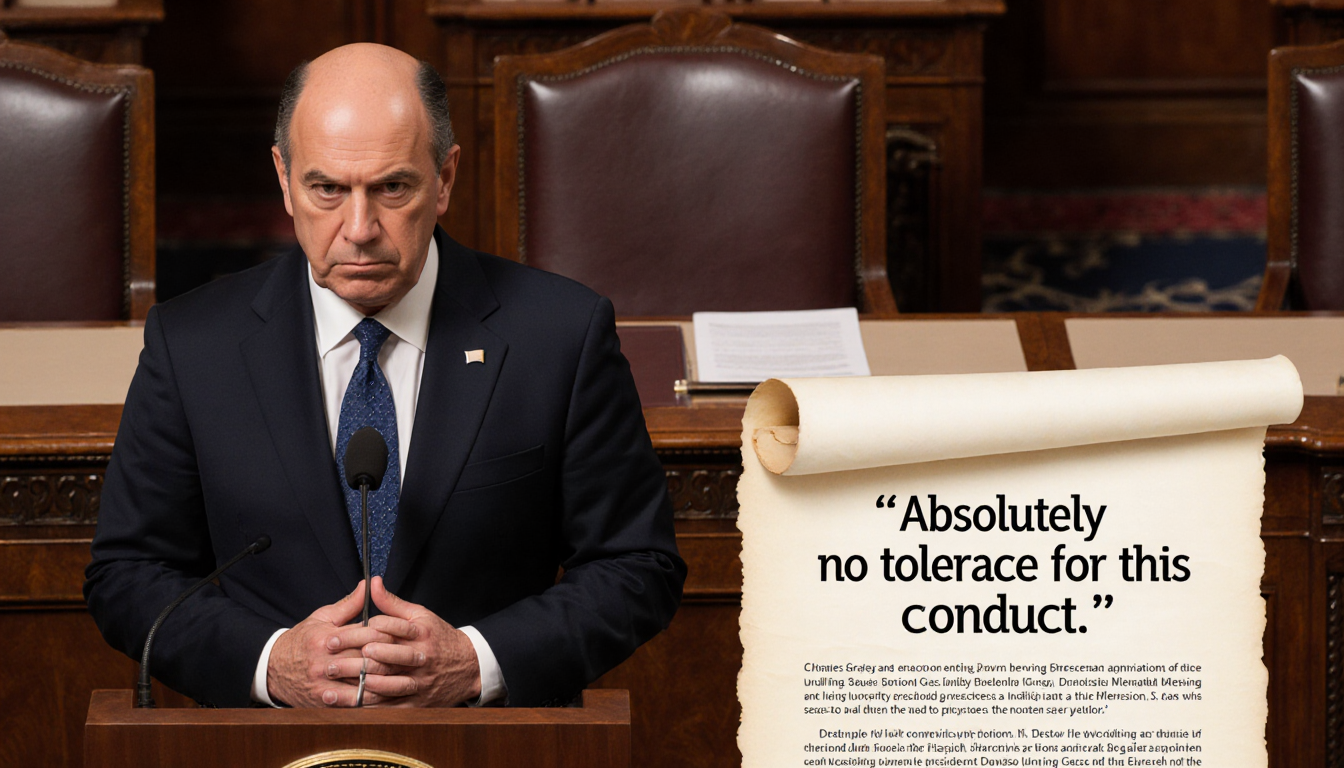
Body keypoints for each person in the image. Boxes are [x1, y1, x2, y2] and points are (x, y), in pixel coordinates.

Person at [84, 43, 685, 708]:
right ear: (284, 179)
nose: (360, 228)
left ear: (446, 178)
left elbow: (637, 567)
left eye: (392, 187)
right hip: (273, 746)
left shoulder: (560, 335)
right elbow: (128, 573)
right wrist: (269, 663)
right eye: (327, 190)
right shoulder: (193, 345)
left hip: (491, 746)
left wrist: (478, 661)